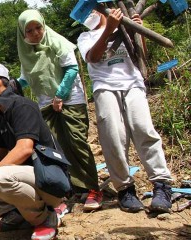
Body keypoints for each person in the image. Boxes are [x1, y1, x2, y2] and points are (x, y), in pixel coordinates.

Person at [0, 63, 68, 240]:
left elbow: (24, 149)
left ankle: (46, 218)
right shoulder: (2, 119)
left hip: (49, 181)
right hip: (28, 177)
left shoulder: (23, 106)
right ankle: (16, 215)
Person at [77, 9, 172, 213]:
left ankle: (162, 185)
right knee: (113, 136)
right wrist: (108, 29)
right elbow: (93, 57)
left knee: (143, 128)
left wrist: (138, 30)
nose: (89, 15)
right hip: (104, 87)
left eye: (92, 10)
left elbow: (141, 54)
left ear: (102, 8)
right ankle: (125, 189)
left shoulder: (125, 24)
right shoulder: (85, 36)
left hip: (133, 83)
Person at [17, 9, 103, 211]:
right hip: (45, 103)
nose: (36, 33)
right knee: (54, 148)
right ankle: (67, 189)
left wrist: (60, 96)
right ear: (23, 34)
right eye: (29, 30)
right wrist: (7, 87)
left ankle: (92, 188)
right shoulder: (26, 52)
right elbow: (24, 79)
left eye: (38, 27)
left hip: (70, 99)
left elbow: (71, 69)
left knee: (76, 142)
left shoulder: (58, 42)